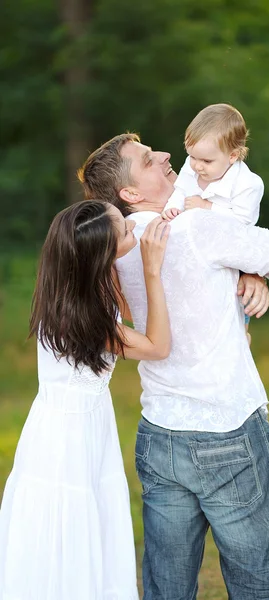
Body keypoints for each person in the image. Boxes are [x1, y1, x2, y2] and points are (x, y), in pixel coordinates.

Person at [79, 133, 269, 600]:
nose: (167, 156)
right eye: (149, 159)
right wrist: (253, 267)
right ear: (130, 193)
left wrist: (244, 270)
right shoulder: (197, 228)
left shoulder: (114, 252)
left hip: (158, 433)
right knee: (256, 584)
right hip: (227, 430)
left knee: (167, 587)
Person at [0, 200, 171, 600]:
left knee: (92, 516)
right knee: (69, 522)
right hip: (67, 436)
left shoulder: (76, 284)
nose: (132, 227)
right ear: (103, 256)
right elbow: (157, 346)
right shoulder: (87, 319)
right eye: (125, 232)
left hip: (81, 422)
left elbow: (125, 305)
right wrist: (151, 270)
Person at [161, 103, 263, 343]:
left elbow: (242, 224)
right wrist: (171, 209)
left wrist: (207, 208)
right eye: (192, 156)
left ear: (232, 156)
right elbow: (180, 191)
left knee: (232, 305)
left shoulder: (248, 184)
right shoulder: (193, 166)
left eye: (206, 161)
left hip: (232, 258)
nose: (197, 166)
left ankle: (240, 337)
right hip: (199, 255)